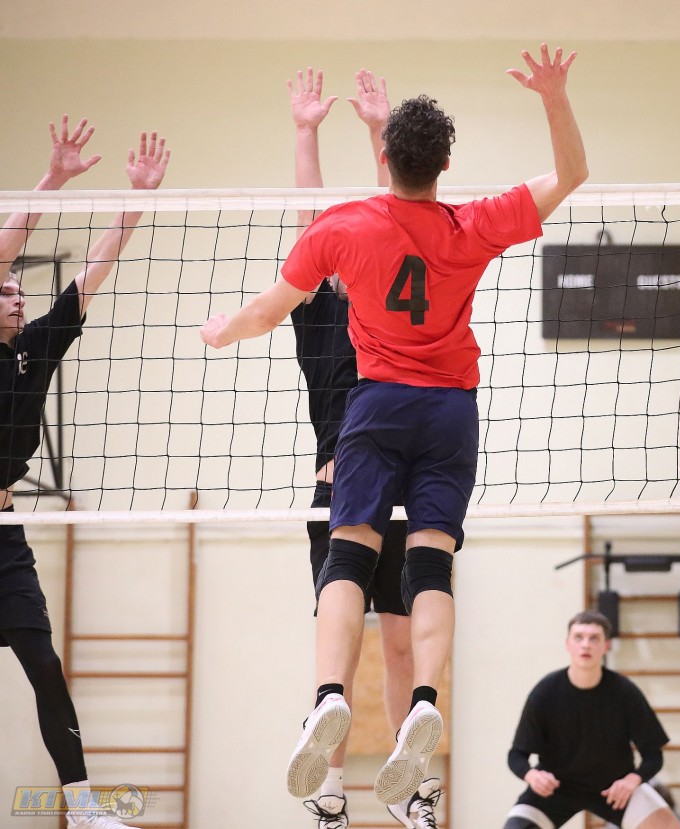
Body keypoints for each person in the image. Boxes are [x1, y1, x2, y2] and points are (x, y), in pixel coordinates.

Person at [200, 41, 587, 808]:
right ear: (446, 164)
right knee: (432, 563)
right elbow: (572, 174)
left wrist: (222, 331)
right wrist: (552, 96)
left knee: (348, 555)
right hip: (450, 410)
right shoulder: (472, 223)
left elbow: (269, 308)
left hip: (376, 408)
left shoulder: (345, 230)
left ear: (384, 157)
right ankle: (425, 703)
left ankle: (329, 692)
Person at [0, 117, 169, 829]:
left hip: (4, 533)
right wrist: (53, 179)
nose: (17, 294)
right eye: (5, 290)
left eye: (19, 290)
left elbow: (92, 273)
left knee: (44, 665)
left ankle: (84, 808)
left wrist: (136, 202)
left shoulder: (35, 347)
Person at [287, 65, 440, 829]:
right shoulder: (318, 313)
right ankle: (330, 787)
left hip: (404, 488)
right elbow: (312, 225)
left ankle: (411, 785)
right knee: (339, 653)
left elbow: (403, 221)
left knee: (403, 647)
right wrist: (306, 132)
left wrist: (380, 131)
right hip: (340, 487)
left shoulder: (397, 312)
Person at [501, 611, 680, 829]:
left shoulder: (625, 692)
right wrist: (532, 775)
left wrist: (632, 780)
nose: (585, 645)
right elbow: (516, 755)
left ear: (606, 646)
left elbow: (653, 755)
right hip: (556, 790)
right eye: (578, 637)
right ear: (567, 644)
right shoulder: (545, 692)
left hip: (614, 789)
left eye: (594, 638)